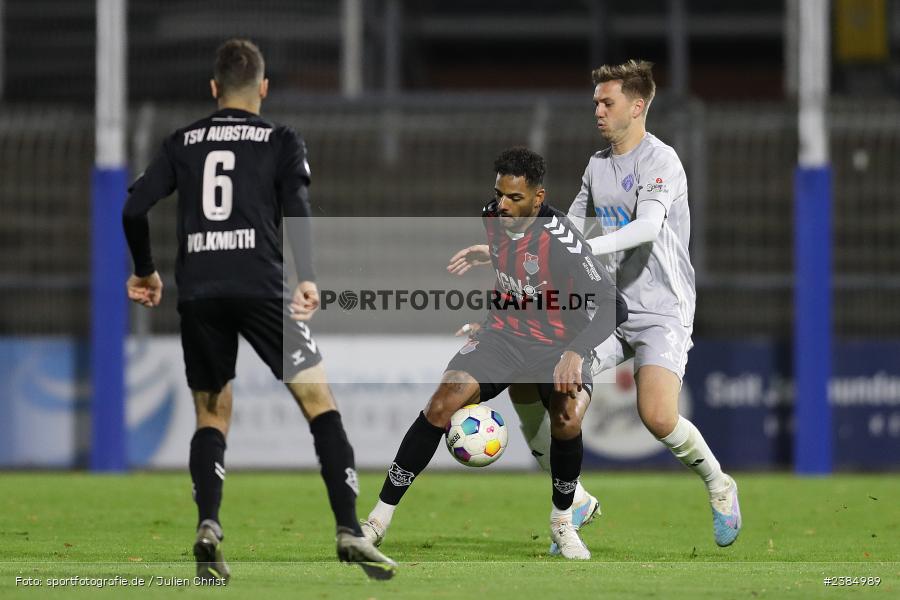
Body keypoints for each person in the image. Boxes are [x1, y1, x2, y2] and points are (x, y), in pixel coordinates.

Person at [121, 38, 397, 582]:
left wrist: (146, 270)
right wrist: (308, 276)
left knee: (211, 414)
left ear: (213, 87)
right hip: (262, 289)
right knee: (319, 402)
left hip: (200, 292)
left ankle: (208, 524)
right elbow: (297, 205)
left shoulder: (182, 141)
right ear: (263, 88)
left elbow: (133, 208)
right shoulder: (280, 139)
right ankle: (348, 527)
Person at [447, 60, 742, 549]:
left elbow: (646, 228)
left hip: (662, 309)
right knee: (543, 387)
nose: (598, 111)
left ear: (638, 106)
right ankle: (574, 501)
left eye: (608, 102)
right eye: (596, 103)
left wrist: (582, 249)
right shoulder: (597, 166)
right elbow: (565, 230)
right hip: (606, 305)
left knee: (657, 416)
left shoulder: (661, 161)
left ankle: (719, 482)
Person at [360, 148, 627, 560]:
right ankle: (377, 521)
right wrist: (488, 319)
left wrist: (577, 352)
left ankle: (563, 521)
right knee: (441, 403)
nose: (503, 205)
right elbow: (514, 277)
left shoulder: (563, 242)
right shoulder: (493, 216)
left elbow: (614, 303)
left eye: (515, 198)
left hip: (557, 346)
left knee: (567, 417)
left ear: (538, 199)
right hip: (504, 336)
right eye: (499, 194)